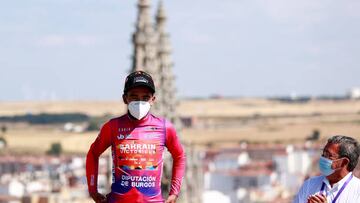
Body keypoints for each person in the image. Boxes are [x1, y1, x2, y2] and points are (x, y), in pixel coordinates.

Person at [86, 71, 186, 203]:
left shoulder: (164, 127)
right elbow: (93, 154)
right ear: (125, 98)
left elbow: (180, 156)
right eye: (134, 96)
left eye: (145, 97)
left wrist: (174, 192)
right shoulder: (112, 127)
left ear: (153, 100)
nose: (140, 102)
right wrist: (93, 190)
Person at [293, 135, 360, 203]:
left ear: (344, 162)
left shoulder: (357, 190)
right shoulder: (309, 185)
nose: (323, 158)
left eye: (328, 155)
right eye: (323, 154)